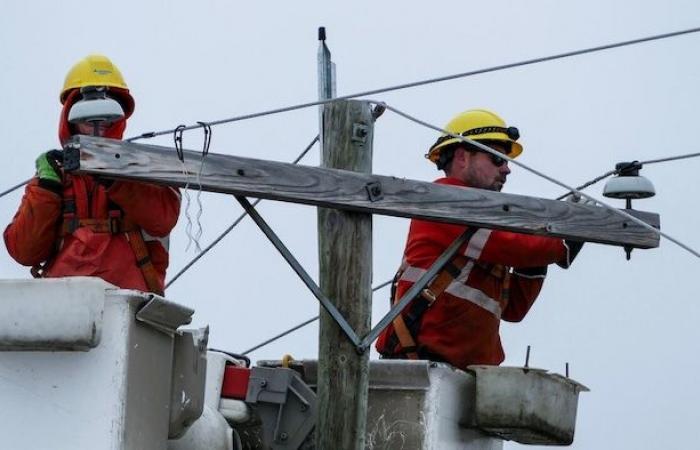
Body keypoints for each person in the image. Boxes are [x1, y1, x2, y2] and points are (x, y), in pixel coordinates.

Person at [376, 109, 581, 370]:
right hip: (420, 365)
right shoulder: (444, 202)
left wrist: (541, 253)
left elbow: (514, 309)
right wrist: (559, 239)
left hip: (469, 375)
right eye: (497, 158)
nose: (507, 169)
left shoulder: (490, 224)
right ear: (463, 156)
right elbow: (514, 245)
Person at [4, 54, 180, 295]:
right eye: (86, 117)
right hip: (62, 306)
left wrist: (115, 174)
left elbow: (162, 218)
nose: (98, 125)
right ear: (70, 118)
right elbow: (24, 251)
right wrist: (46, 187)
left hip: (128, 303)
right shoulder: (54, 177)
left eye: (107, 117)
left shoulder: (142, 169)